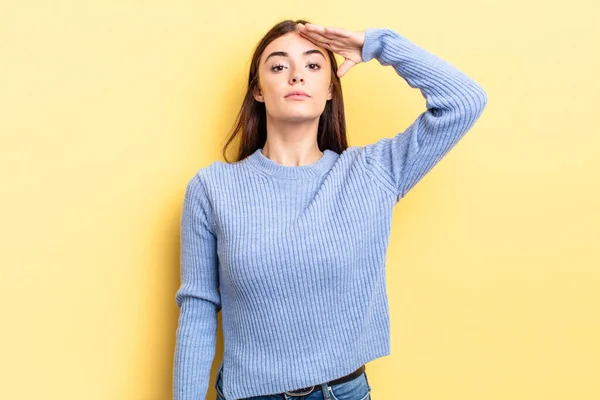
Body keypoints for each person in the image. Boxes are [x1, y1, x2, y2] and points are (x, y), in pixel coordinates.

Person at [173, 19, 487, 400]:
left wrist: (378, 46)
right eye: (278, 66)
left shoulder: (373, 172)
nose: (296, 76)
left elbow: (464, 101)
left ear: (329, 91)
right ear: (258, 90)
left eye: (313, 65)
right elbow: (197, 313)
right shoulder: (212, 188)